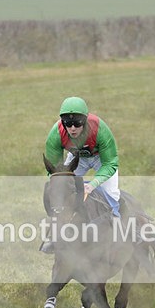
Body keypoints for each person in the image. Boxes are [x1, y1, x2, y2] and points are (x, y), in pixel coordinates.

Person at [40, 96, 121, 253]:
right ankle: (55, 236)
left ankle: (118, 230)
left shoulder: (100, 130)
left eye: (77, 123)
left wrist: (92, 185)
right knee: (61, 192)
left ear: (85, 120)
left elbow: (111, 163)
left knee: (111, 193)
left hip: (101, 160)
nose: (72, 128)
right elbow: (54, 170)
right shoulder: (56, 134)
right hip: (76, 158)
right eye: (68, 124)